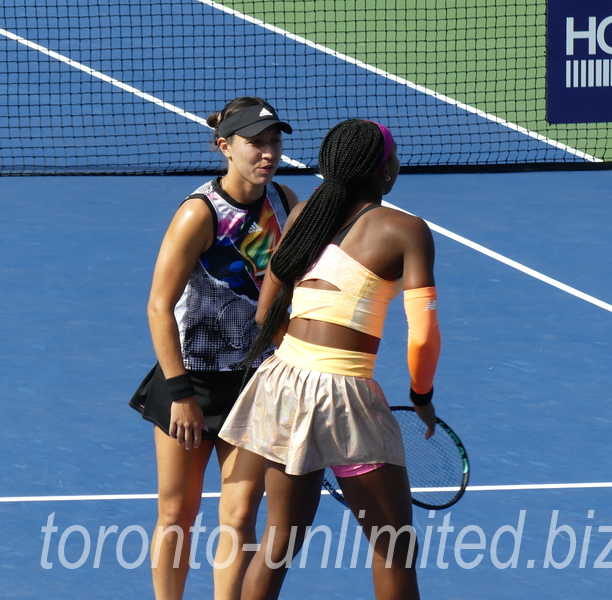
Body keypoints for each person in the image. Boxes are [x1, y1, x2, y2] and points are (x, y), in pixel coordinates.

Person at [219, 119, 441, 600]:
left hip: (284, 383)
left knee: (279, 540)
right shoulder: (407, 230)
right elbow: (422, 337)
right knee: (394, 548)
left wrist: (304, 364)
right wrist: (421, 397)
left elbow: (266, 314)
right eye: (395, 155)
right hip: (343, 393)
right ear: (383, 171)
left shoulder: (302, 218)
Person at [129, 97, 299, 600]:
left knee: (241, 513)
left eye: (274, 141)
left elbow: (290, 291)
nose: (268, 153)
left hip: (254, 383)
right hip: (193, 381)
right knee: (177, 513)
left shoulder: (286, 203)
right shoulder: (198, 214)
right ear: (225, 147)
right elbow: (159, 307)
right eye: (256, 143)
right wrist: (180, 392)